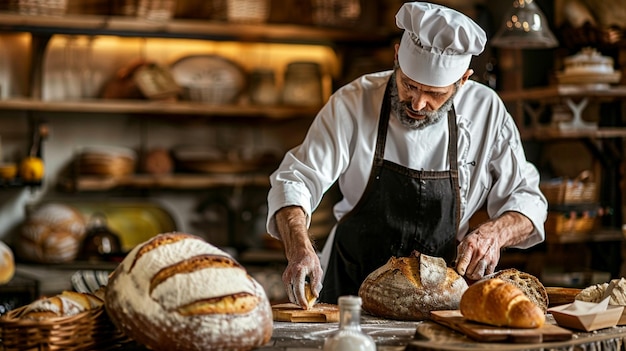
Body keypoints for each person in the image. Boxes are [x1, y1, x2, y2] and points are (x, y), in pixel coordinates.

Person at [266, 1, 547, 308]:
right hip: (349, 288)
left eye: (435, 94)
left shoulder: (487, 111)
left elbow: (528, 200)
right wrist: (299, 248)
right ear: (397, 56)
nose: (417, 103)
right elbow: (295, 179)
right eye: (409, 85)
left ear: (463, 80)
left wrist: (495, 232)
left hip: (439, 295)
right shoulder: (353, 102)